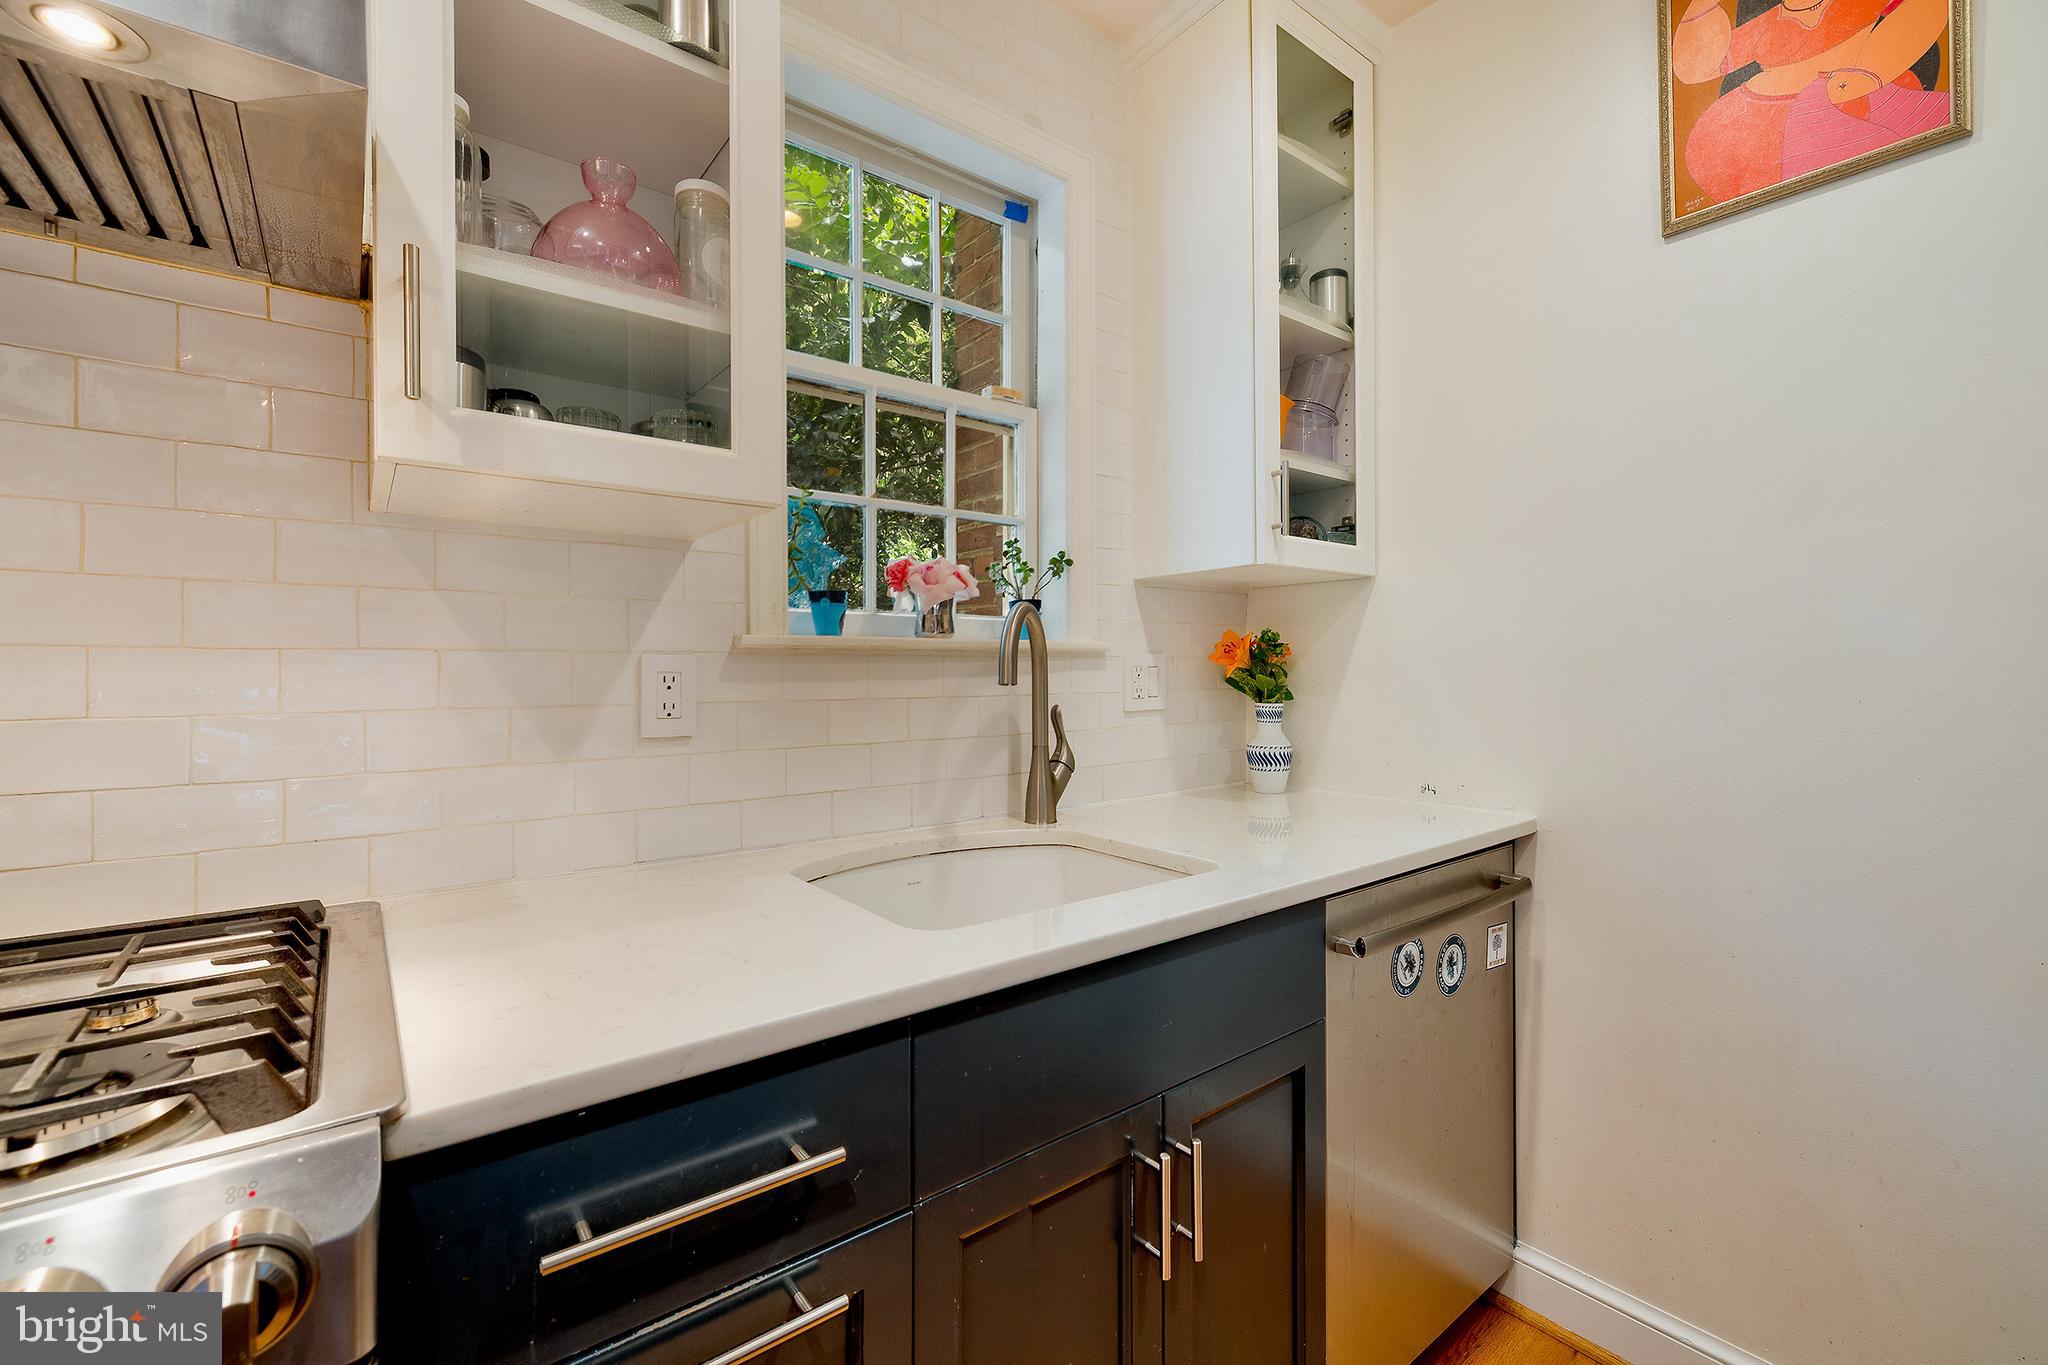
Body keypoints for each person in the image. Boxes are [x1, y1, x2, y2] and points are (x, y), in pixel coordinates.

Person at [1671, 0, 1955, 204]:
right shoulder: (1769, 20)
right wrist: (1701, 7)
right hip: (1752, 121)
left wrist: (1869, 75)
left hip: (1838, 100)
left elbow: (1926, 9)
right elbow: (1694, 69)